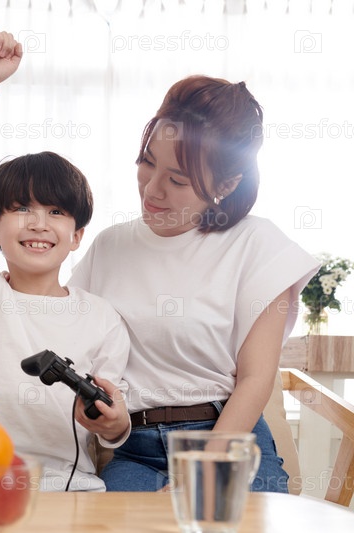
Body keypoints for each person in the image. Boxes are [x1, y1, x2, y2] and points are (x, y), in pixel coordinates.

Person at [69, 75, 319, 492]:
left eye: (178, 180)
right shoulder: (109, 247)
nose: (152, 189)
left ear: (226, 184)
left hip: (227, 440)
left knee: (225, 519)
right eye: (147, 162)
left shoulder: (258, 244)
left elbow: (255, 379)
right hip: (135, 449)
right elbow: (66, 330)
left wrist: (203, 469)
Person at [0, 31, 131, 492]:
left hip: (72, 491)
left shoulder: (102, 318)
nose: (39, 224)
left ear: (77, 236)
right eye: (22, 208)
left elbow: (112, 428)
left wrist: (116, 424)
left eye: (56, 212)